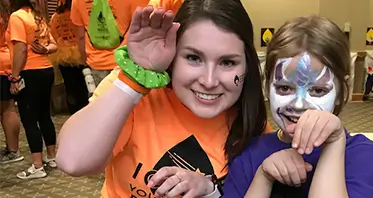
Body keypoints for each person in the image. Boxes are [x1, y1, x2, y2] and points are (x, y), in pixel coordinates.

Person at [56, 1, 269, 198]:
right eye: (193, 58)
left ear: (247, 67)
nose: (209, 81)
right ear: (173, 57)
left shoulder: (253, 124)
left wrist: (211, 190)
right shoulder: (139, 94)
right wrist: (133, 80)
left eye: (228, 62)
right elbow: (72, 161)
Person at [222, 16, 373, 198]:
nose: (298, 104)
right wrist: (263, 177)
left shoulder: (359, 154)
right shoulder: (247, 154)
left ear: (341, 93)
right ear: (267, 87)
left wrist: (335, 142)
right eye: (284, 88)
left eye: (318, 90)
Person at [6, 0, 59, 179]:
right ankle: (52, 157)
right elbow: (53, 45)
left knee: (29, 119)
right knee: (44, 115)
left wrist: (15, 77)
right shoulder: (37, 17)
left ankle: (37, 166)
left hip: (29, 72)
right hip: (46, 70)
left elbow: (20, 49)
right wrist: (45, 50)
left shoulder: (17, 17)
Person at [70, 0, 150, 87]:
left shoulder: (77, 1)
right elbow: (143, 30)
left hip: (97, 63)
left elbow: (81, 37)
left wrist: (84, 60)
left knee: (102, 97)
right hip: (126, 62)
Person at [49, 0, 89, 114]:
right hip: (82, 53)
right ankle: (86, 111)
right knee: (85, 86)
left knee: (70, 87)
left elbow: (53, 35)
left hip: (63, 56)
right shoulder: (80, 13)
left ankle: (73, 113)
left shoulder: (55, 17)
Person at [0, 0, 23, 164]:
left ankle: (13, 150)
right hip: (8, 62)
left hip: (1, 65)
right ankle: (12, 148)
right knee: (8, 107)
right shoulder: (9, 13)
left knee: (7, 109)